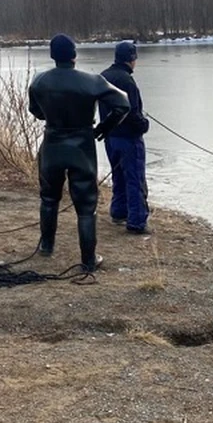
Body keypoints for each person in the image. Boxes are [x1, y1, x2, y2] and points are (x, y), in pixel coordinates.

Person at [28, 34, 130, 273]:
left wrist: (50, 117)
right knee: (86, 207)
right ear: (74, 55)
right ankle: (88, 259)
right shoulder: (91, 81)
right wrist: (104, 128)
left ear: (52, 55)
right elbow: (123, 103)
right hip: (82, 146)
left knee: (49, 198)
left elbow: (35, 111)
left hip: (52, 143)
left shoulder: (39, 81)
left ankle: (46, 246)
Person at [100, 41, 150, 234]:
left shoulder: (104, 76)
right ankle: (137, 222)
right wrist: (144, 125)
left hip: (110, 138)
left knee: (118, 175)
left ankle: (119, 212)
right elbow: (132, 112)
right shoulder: (127, 81)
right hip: (129, 138)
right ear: (131, 59)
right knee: (135, 178)